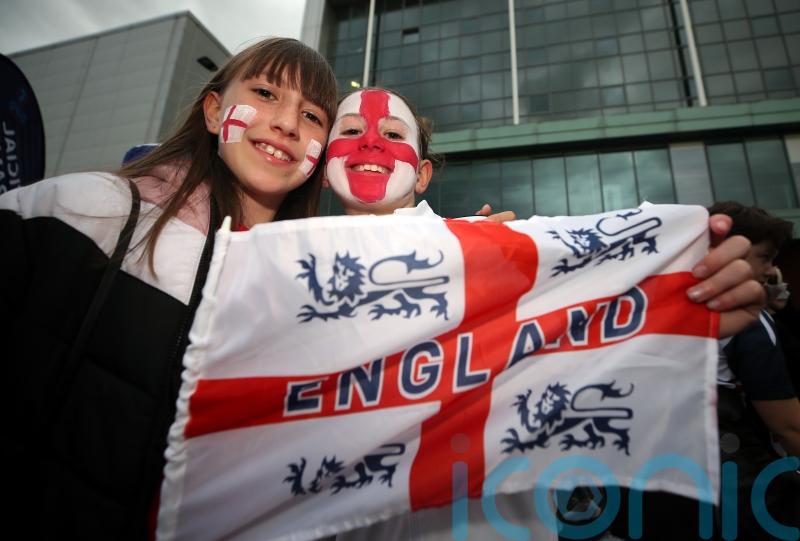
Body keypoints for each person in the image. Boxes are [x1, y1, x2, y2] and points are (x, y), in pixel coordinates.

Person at [321, 88, 767, 540]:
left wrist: (682, 288)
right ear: (323, 168)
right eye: (352, 130)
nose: (370, 141)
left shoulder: (499, 250)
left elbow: (596, 329)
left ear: (422, 175)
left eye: (393, 134)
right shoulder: (289, 284)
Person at [0, 37, 338, 539]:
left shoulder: (313, 298)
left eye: (312, 116)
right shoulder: (81, 210)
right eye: (266, 93)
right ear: (213, 110)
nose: (288, 123)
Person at [708, 201, 799, 538]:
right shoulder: (747, 320)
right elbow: (788, 426)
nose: (770, 269)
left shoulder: (670, 310)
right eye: (764, 257)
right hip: (744, 479)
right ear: (727, 250)